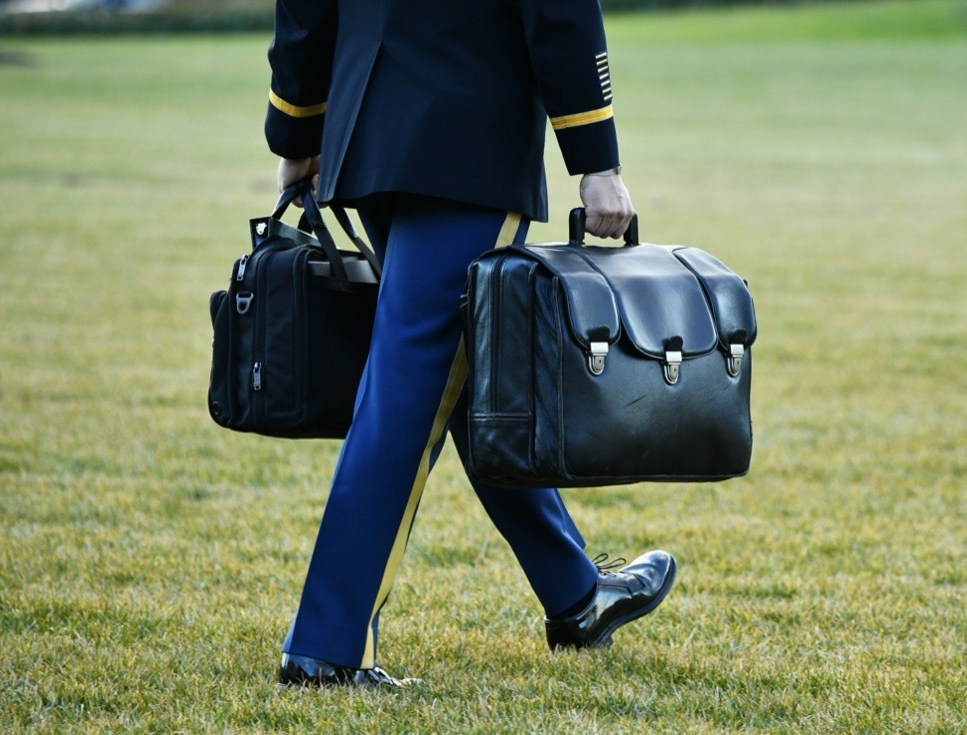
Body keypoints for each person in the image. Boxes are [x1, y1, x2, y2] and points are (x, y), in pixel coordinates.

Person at [264, 0, 677, 689]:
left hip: (367, 132)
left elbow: (305, 10)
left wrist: (297, 132)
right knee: (410, 386)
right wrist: (596, 154)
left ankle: (576, 594)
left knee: (460, 371)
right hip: (468, 136)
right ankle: (327, 646)